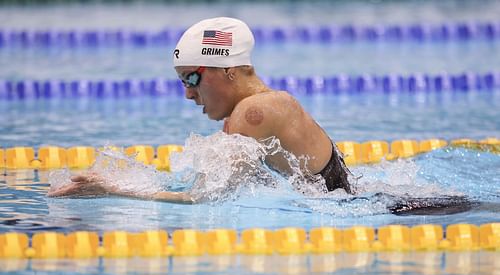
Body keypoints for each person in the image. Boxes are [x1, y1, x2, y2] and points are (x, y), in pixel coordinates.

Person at [48, 17, 352, 202]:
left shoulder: (254, 112)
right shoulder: (250, 112)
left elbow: (203, 198)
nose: (188, 94)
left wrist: (113, 190)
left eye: (191, 78)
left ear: (229, 70)